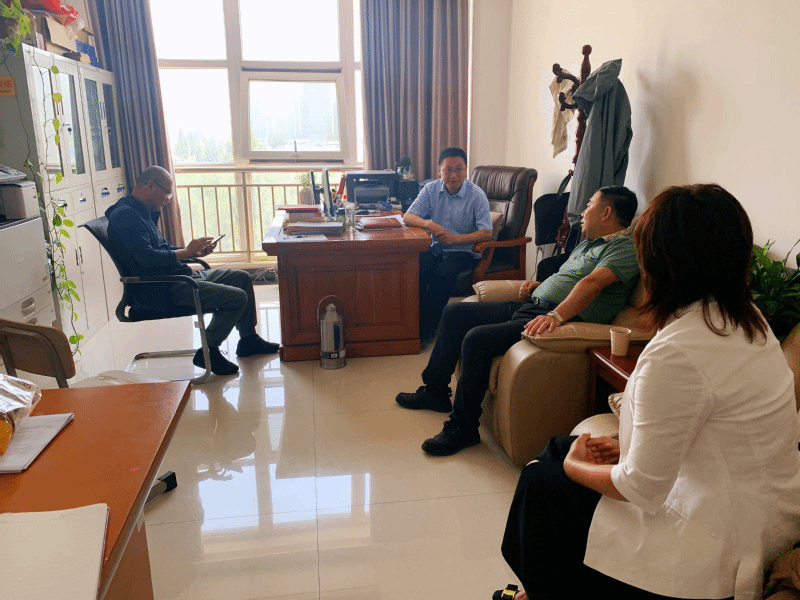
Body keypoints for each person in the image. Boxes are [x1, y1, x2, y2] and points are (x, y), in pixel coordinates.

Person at [495, 184, 800, 600]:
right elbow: (718, 430)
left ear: (660, 263)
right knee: (557, 448)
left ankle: (540, 591)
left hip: (713, 544)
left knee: (544, 481)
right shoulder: (750, 321)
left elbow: (640, 488)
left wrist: (572, 466)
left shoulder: (679, 352)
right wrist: (621, 449)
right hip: (761, 514)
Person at [397, 186, 640, 456]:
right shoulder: (588, 243)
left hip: (554, 317)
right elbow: (568, 278)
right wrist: (540, 286)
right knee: (455, 313)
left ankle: (463, 428)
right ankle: (435, 391)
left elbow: (592, 283)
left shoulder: (624, 247)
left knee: (477, 339)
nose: (582, 212)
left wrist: (556, 314)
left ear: (606, 212)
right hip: (533, 306)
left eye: (590, 205)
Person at [106, 165, 279, 376]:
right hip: (163, 289)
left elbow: (162, 249)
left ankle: (248, 340)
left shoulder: (141, 211)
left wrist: (192, 253)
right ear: (150, 185)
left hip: (178, 277)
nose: (168, 199)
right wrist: (186, 251)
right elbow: (147, 258)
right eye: (167, 192)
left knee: (241, 278)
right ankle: (208, 351)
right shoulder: (126, 216)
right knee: (236, 298)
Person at [403, 147, 494, 341]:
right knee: (414, 268)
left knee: (442, 275)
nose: (453, 175)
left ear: (466, 170)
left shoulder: (477, 195)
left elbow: (487, 232)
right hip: (437, 248)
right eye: (448, 169)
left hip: (465, 251)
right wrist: (428, 224)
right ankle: (412, 324)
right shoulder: (431, 189)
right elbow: (408, 217)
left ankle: (424, 330)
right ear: (439, 171)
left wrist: (454, 239)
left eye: (459, 169)